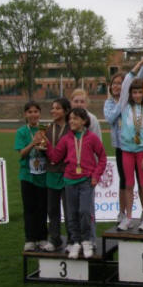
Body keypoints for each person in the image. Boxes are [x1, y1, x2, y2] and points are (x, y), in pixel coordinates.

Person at [45, 108, 107, 259]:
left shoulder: (92, 138)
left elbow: (103, 157)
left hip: (86, 181)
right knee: (71, 214)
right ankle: (76, 242)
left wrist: (96, 176)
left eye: (76, 119)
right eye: (70, 119)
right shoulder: (66, 139)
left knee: (85, 212)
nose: (72, 121)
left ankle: (86, 241)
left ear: (84, 121)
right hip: (69, 181)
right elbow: (55, 157)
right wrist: (45, 142)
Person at [108, 58, 143, 231]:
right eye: (133, 92)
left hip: (142, 151)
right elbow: (127, 80)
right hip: (126, 150)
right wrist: (140, 62)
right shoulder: (124, 104)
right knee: (128, 184)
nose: (136, 95)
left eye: (139, 92)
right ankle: (128, 217)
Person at [14, 101, 48, 252]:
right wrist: (33, 143)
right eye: (30, 112)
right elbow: (21, 153)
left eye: (36, 111)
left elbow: (51, 151)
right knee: (29, 208)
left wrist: (45, 146)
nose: (33, 114)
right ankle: (30, 239)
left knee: (42, 208)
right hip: (27, 176)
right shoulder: (22, 132)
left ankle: (42, 238)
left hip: (43, 175)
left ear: (40, 113)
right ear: (25, 115)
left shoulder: (45, 129)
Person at [70, 88, 101, 247]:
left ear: (87, 103)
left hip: (88, 172)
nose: (79, 104)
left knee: (87, 208)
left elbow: (98, 148)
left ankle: (91, 239)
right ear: (71, 102)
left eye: (82, 101)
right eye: (76, 101)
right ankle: (75, 240)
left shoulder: (92, 119)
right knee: (73, 209)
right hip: (71, 173)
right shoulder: (70, 119)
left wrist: (94, 172)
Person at [42, 98, 71, 252]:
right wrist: (38, 145)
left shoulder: (71, 129)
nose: (53, 111)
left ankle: (72, 239)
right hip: (51, 173)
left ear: (66, 111)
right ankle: (55, 239)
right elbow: (41, 151)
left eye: (57, 108)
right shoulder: (46, 128)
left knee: (69, 210)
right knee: (52, 210)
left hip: (67, 174)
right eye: (52, 108)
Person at [103, 73, 127, 224]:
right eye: (114, 83)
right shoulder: (109, 103)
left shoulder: (131, 102)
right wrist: (121, 102)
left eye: (120, 83)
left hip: (133, 146)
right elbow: (111, 118)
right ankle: (122, 213)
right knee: (123, 180)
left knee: (139, 180)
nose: (116, 86)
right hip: (119, 146)